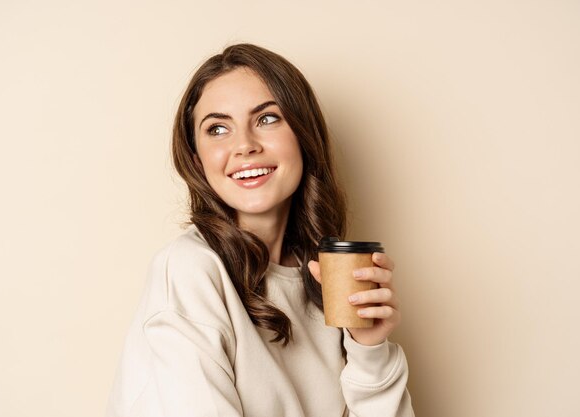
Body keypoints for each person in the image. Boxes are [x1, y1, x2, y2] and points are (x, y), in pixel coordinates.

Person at [106, 43, 414, 417]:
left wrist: (369, 349)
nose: (244, 146)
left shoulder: (322, 277)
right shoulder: (189, 270)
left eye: (267, 119)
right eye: (218, 129)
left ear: (304, 134)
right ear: (197, 159)